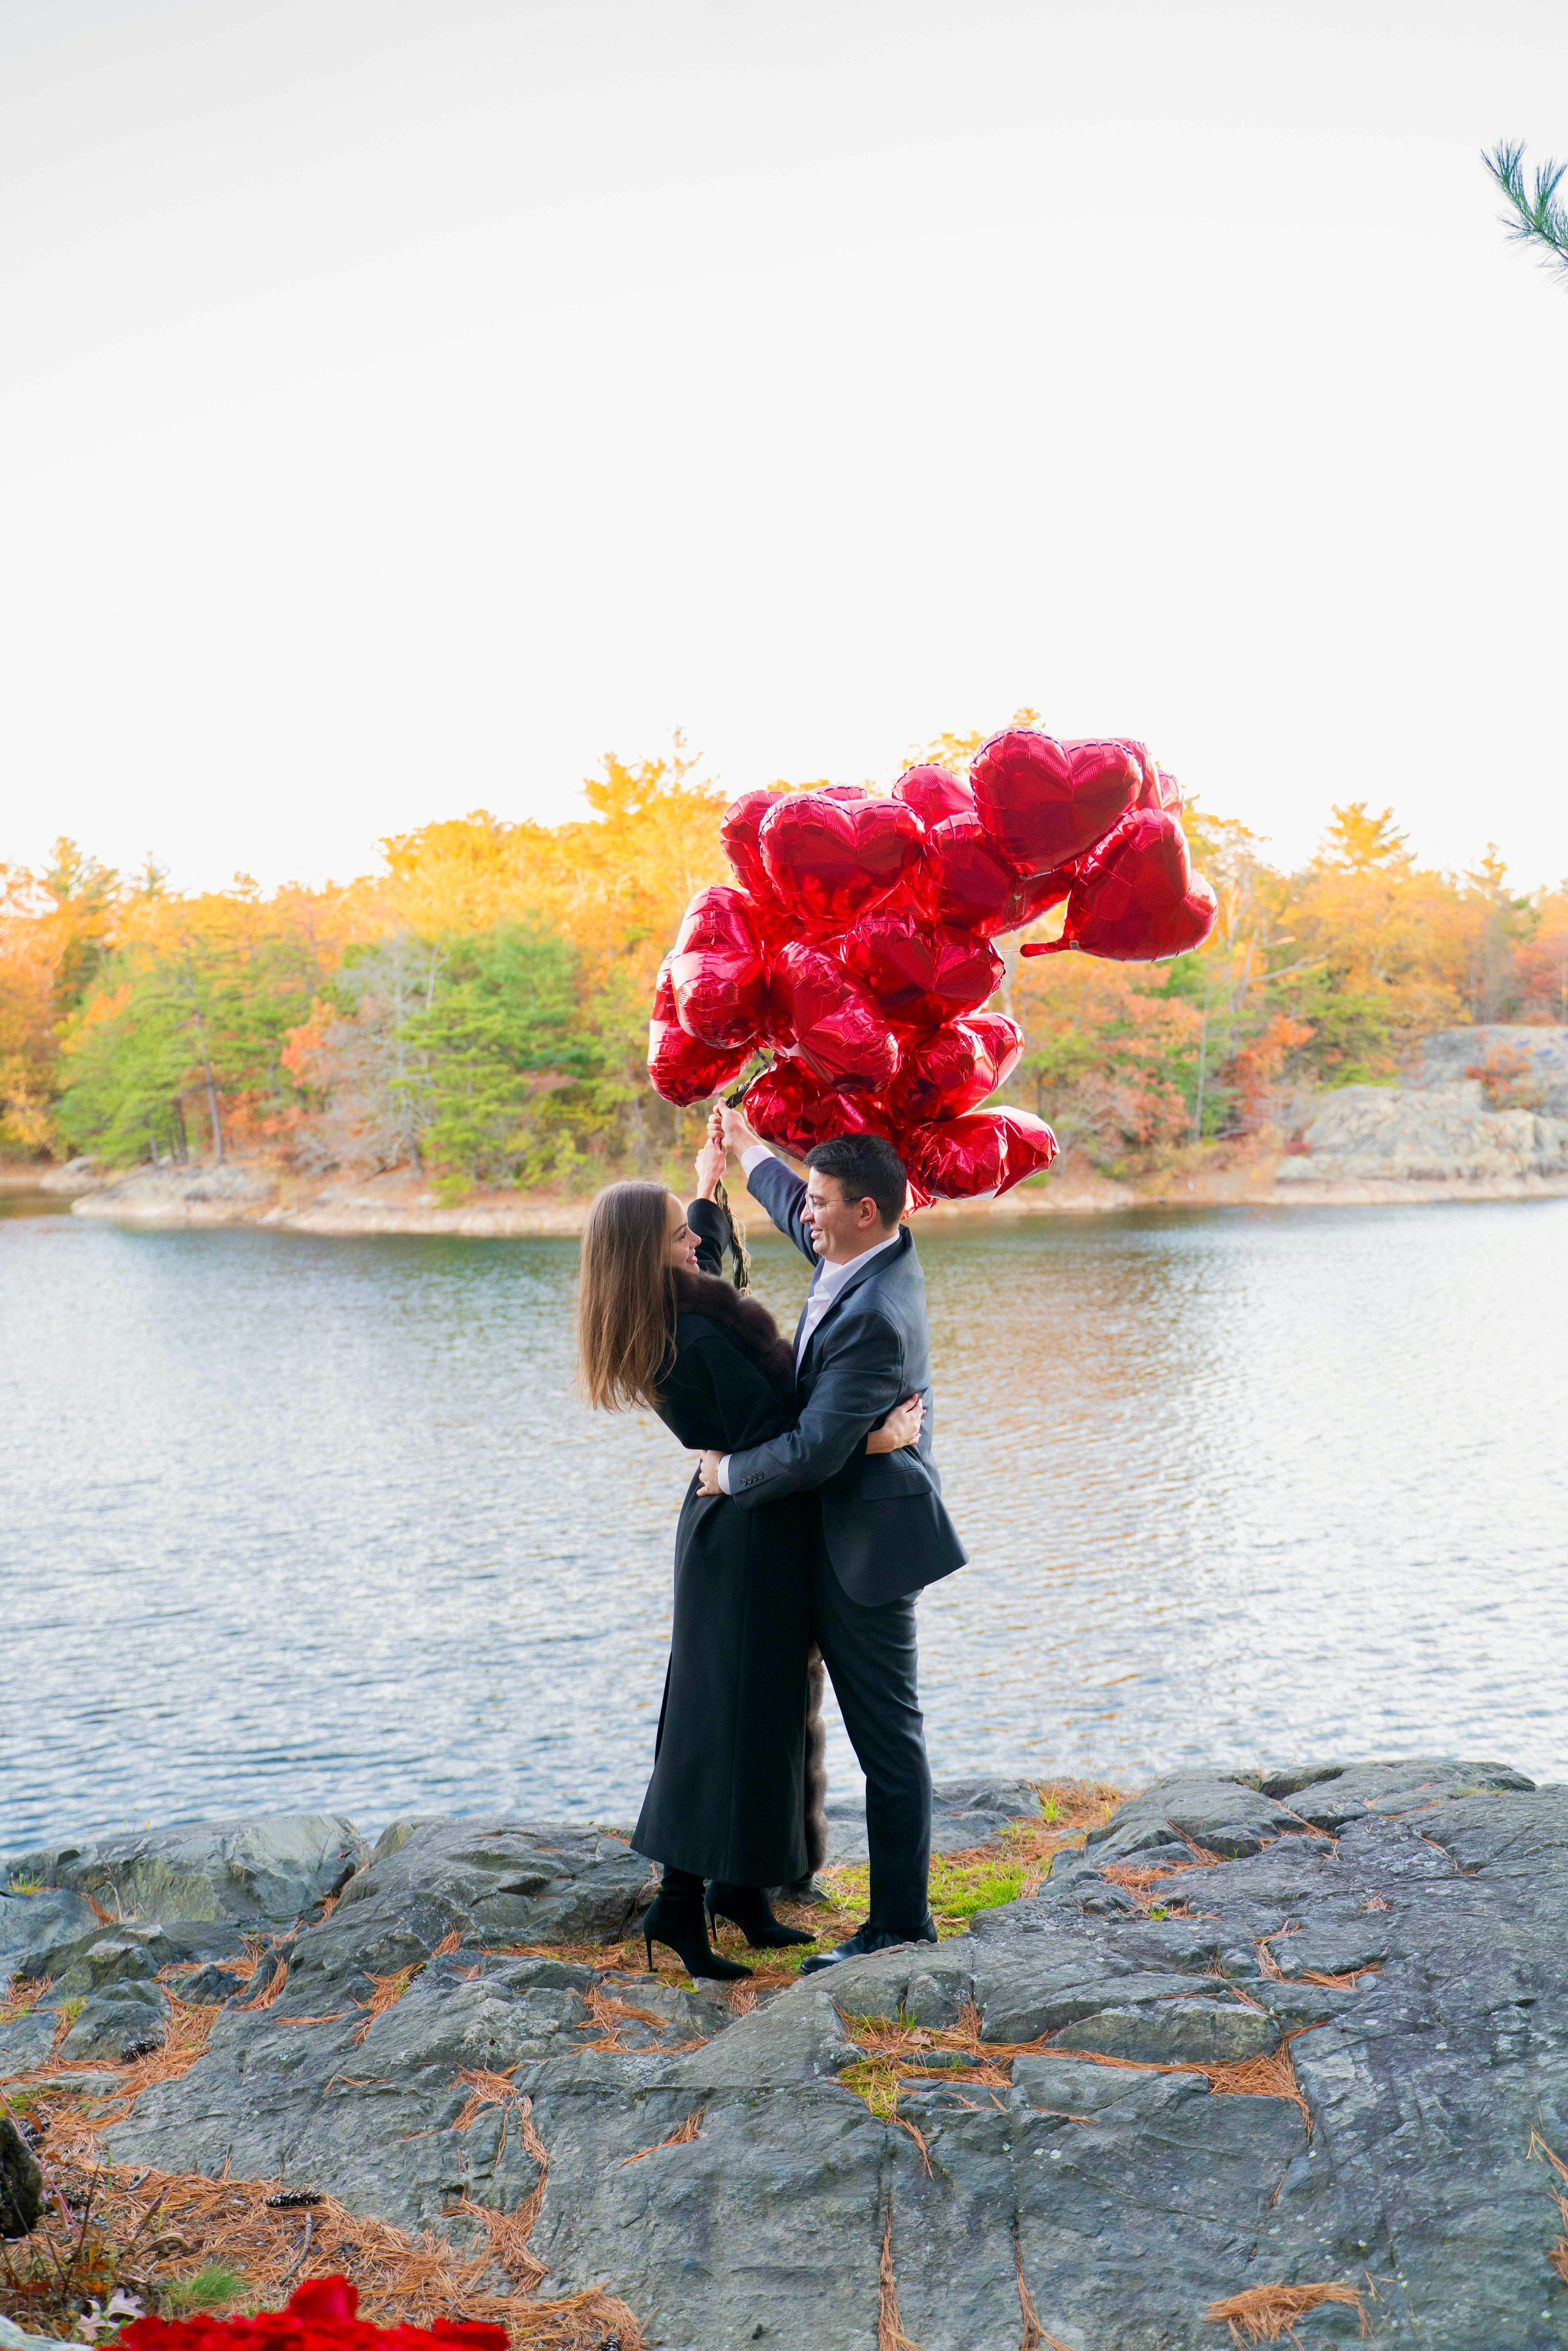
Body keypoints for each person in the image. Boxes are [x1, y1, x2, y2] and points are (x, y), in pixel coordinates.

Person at [575, 1127, 925, 1981]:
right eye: (676, 1233)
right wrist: (870, 1440)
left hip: (758, 1521)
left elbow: (715, 1267)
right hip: (744, 1527)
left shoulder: (672, 1300)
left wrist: (712, 1178)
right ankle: (680, 1904)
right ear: (649, 1259)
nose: (693, 1238)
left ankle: (742, 1888)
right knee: (718, 1717)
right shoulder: (687, 1334)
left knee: (766, 1711)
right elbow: (791, 1441)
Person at [703, 1110, 967, 1971]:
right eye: (809, 1198)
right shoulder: (861, 1249)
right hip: (832, 1521)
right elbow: (793, 1209)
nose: (807, 1213)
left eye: (823, 1202)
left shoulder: (877, 1314)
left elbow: (815, 1449)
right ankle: (748, 1876)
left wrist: (728, 1475)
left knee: (888, 1734)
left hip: (869, 1547)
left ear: (865, 1211)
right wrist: (743, 1146)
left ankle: (899, 1923)